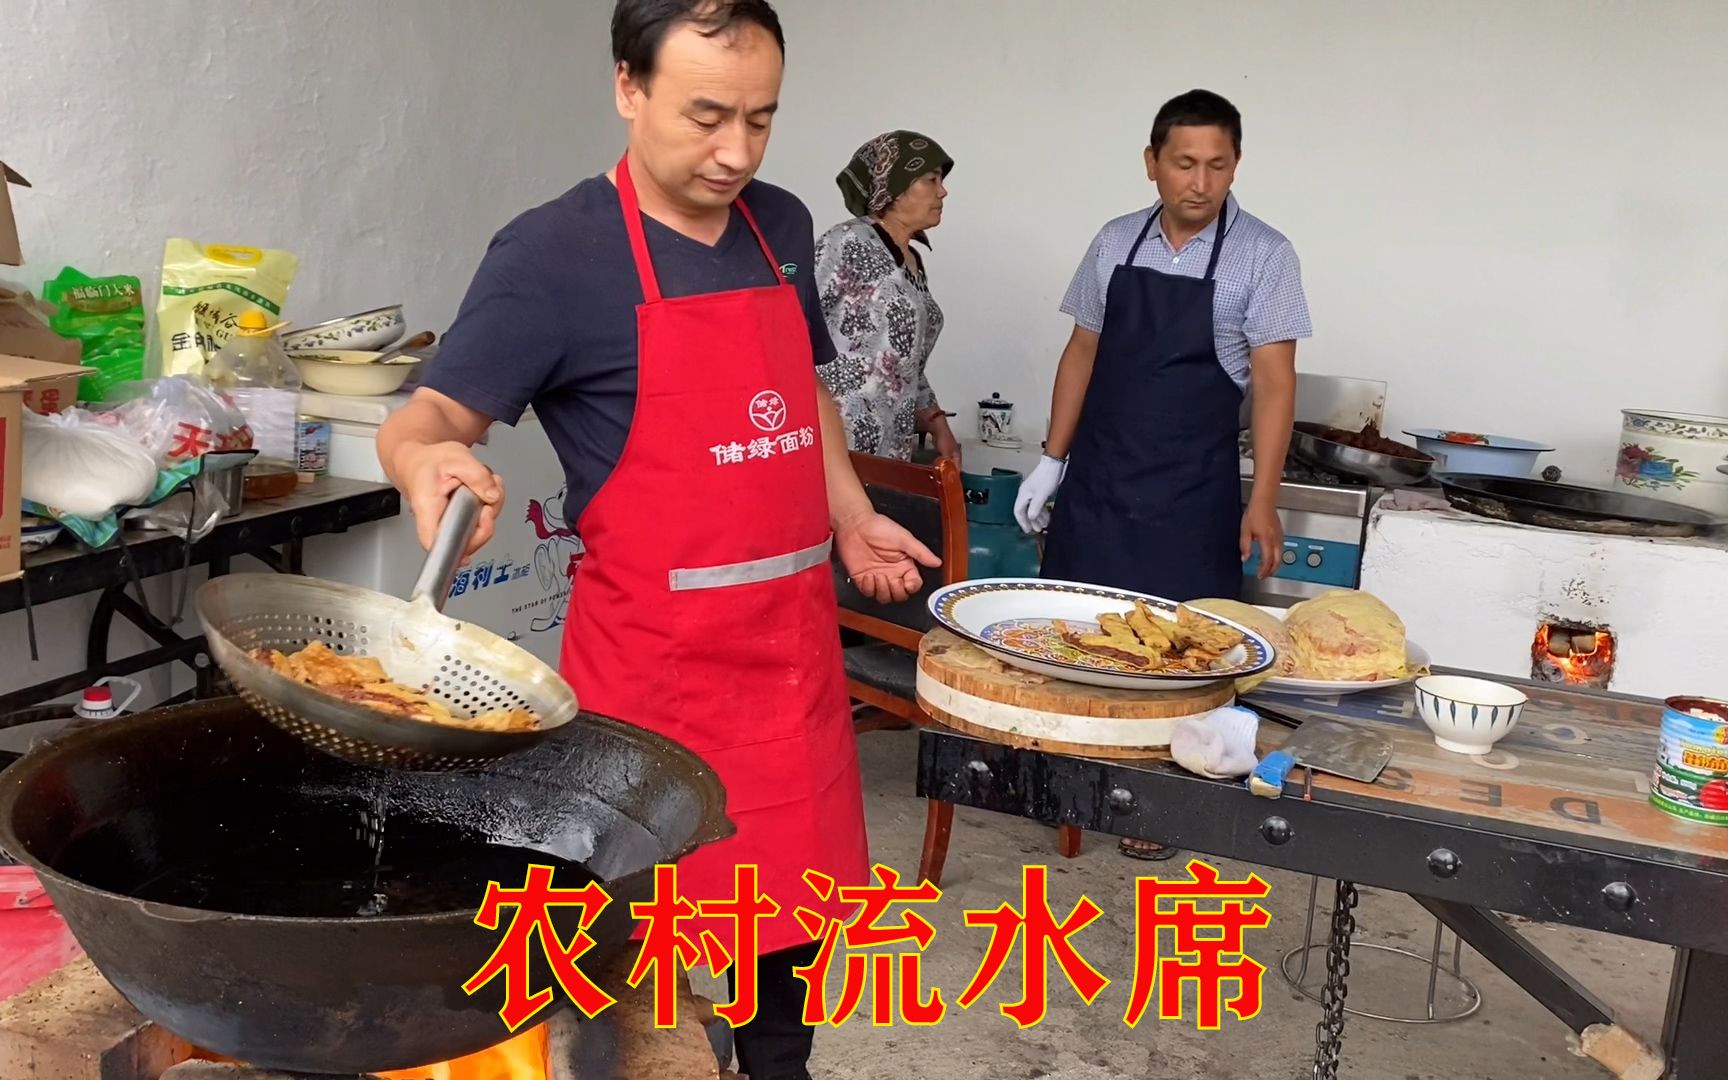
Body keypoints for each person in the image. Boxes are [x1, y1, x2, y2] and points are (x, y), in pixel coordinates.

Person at [376, 3, 939, 1076]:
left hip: (791, 665)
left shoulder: (780, 223)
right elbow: (424, 416)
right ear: (627, 88)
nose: (737, 152)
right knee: (628, 978)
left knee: (790, 941)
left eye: (762, 120)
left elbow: (804, 390)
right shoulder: (555, 252)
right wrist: (424, 462)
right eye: (707, 116)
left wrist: (853, 510)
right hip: (651, 685)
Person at [1013, 89, 1311, 860]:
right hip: (1102, 478)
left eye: (1217, 164)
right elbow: (1083, 351)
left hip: (1192, 489)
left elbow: (1277, 384)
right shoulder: (1115, 242)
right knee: (1076, 639)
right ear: (1152, 164)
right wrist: (1052, 458)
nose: (1200, 182)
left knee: (1185, 652)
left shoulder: (1265, 255)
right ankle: (1071, 783)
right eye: (1184, 163)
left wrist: (1265, 500)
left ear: (1236, 165)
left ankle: (1162, 803)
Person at [813, 130, 960, 464]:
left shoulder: (913, 262)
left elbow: (905, 364)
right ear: (893, 187)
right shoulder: (848, 241)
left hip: (891, 448)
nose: (943, 191)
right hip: (838, 443)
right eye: (930, 179)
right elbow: (794, 328)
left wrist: (937, 422)